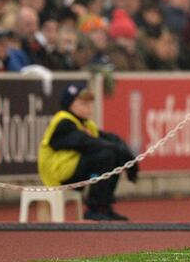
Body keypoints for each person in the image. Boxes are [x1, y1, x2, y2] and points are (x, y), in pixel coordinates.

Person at [38, 83, 138, 221]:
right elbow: (82, 141)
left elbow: (109, 139)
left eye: (90, 103)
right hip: (58, 172)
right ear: (69, 104)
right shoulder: (63, 121)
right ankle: (94, 208)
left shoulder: (85, 123)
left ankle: (104, 206)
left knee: (115, 153)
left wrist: (128, 157)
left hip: (72, 168)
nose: (89, 107)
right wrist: (115, 149)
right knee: (106, 155)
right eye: (83, 103)